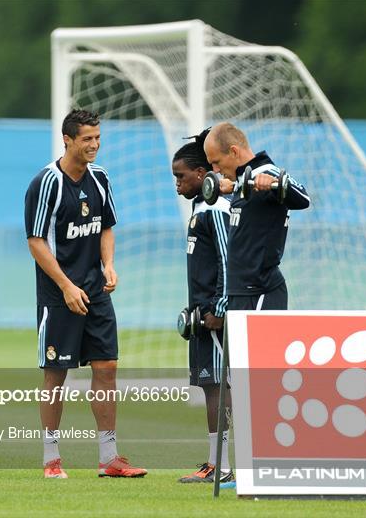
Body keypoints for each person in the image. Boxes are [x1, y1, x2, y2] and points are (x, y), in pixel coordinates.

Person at [24, 109, 147, 479]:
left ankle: (109, 458)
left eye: (97, 138)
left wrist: (108, 265)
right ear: (67, 139)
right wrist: (65, 285)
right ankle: (51, 460)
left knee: (107, 367)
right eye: (87, 139)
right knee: (56, 374)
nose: (94, 145)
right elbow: (36, 241)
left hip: (95, 291)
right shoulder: (47, 183)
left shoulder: (101, 178)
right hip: (59, 294)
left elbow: (106, 227)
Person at [172, 130, 234, 484]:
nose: (178, 184)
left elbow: (229, 262)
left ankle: (221, 466)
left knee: (217, 386)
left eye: (181, 176)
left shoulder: (216, 207)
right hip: (201, 314)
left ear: (202, 173)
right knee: (211, 386)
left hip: (214, 316)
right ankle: (216, 461)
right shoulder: (200, 207)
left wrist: (220, 309)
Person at [203, 122, 310, 311]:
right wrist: (232, 188)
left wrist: (275, 184)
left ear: (234, 152)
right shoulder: (242, 181)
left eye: (217, 162)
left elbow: (303, 198)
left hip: (260, 293)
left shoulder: (268, 173)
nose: (216, 170)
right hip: (238, 292)